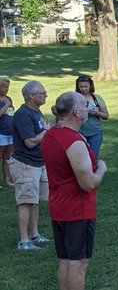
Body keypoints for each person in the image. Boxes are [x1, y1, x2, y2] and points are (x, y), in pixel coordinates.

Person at [43, 92, 107, 290]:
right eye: (83, 104)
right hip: (78, 209)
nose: (87, 107)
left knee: (66, 261)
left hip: (59, 206)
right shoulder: (74, 141)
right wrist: (101, 168)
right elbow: (88, 182)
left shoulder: (52, 135)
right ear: (75, 113)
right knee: (79, 263)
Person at [12, 81, 51, 251]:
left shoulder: (36, 112)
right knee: (26, 201)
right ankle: (24, 241)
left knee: (35, 201)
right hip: (25, 164)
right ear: (31, 96)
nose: (45, 95)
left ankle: (35, 234)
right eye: (42, 93)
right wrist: (46, 132)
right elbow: (29, 142)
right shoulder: (23, 115)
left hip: (38, 162)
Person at [76, 75, 108, 157]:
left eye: (86, 86)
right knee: (81, 157)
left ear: (91, 86)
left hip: (95, 132)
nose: (83, 89)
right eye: (81, 87)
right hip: (79, 132)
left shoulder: (97, 98)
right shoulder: (74, 98)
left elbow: (106, 116)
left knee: (93, 156)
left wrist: (96, 113)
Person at [1, 78, 15, 188]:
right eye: (4, 87)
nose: (6, 89)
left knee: (7, 158)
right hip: (1, 133)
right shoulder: (6, 102)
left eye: (7, 87)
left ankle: (7, 180)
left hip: (10, 132)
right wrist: (6, 105)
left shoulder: (8, 99)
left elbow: (11, 113)